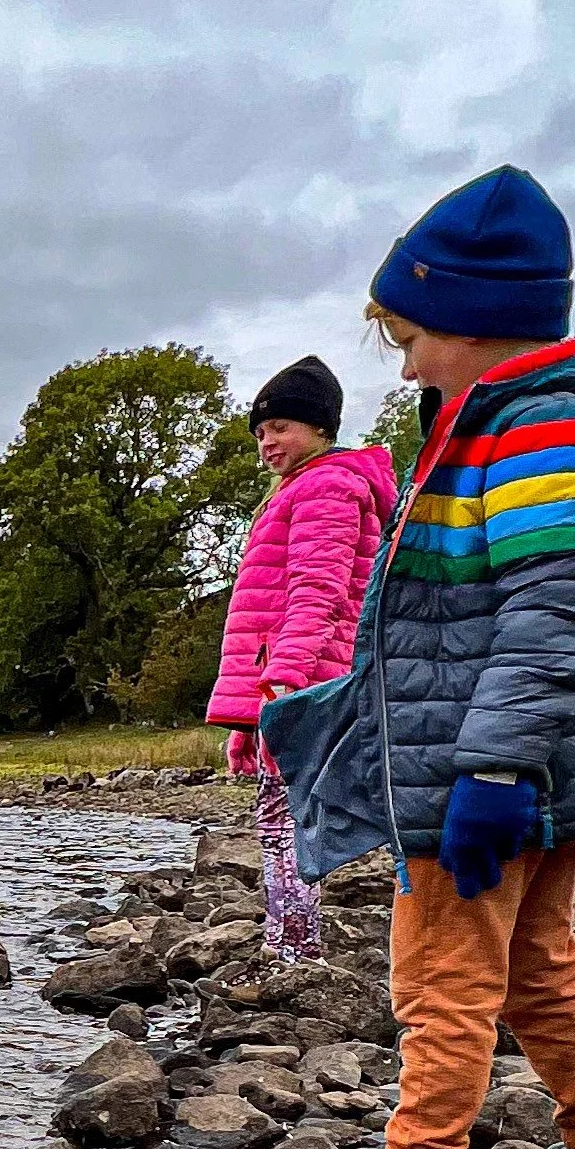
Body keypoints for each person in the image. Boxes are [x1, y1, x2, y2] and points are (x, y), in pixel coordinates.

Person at [258, 164, 575, 1149]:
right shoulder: (520, 422)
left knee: (439, 973)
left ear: (479, 323)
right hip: (520, 756)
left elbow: (550, 611)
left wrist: (492, 770)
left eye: (412, 336)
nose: (407, 360)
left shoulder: (538, 430)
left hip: (490, 762)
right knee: (534, 967)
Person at [206, 357, 395, 965]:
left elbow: (319, 592)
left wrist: (279, 686)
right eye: (261, 432)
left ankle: (294, 950)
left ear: (320, 428)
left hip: (304, 681)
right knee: (278, 816)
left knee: (284, 820)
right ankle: (288, 941)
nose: (267, 443)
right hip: (289, 682)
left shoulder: (325, 487)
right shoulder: (298, 491)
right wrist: (247, 723)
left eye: (281, 427)